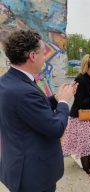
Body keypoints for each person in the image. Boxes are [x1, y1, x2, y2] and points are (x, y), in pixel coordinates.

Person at [0, 30, 75, 192]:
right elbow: (55, 128)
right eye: (43, 53)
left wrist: (55, 98)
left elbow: (29, 110)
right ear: (33, 56)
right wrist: (63, 102)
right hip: (34, 175)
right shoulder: (23, 90)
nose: (44, 57)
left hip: (18, 164)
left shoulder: (8, 81)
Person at [61, 53, 90, 181]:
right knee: (85, 146)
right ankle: (88, 173)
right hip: (81, 117)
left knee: (88, 145)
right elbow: (79, 102)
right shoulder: (80, 79)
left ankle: (88, 170)